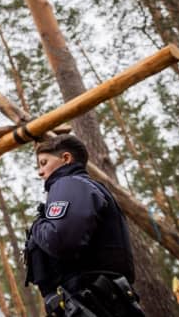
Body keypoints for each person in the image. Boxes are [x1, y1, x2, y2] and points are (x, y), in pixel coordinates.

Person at [25, 134, 145, 317]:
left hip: (90, 302)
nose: (40, 172)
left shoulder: (69, 184)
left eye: (43, 163)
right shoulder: (82, 187)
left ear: (66, 158)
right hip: (98, 302)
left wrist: (37, 225)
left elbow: (60, 240)